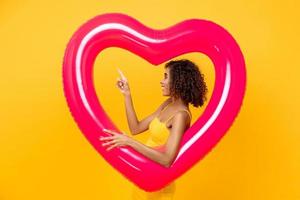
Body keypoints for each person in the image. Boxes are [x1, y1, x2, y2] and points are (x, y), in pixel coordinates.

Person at [100, 59, 208, 199]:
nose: (162, 81)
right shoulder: (168, 103)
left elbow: (167, 159)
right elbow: (135, 128)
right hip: (144, 175)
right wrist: (127, 94)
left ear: (178, 81)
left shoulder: (181, 115)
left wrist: (130, 142)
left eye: (166, 77)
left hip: (158, 182)